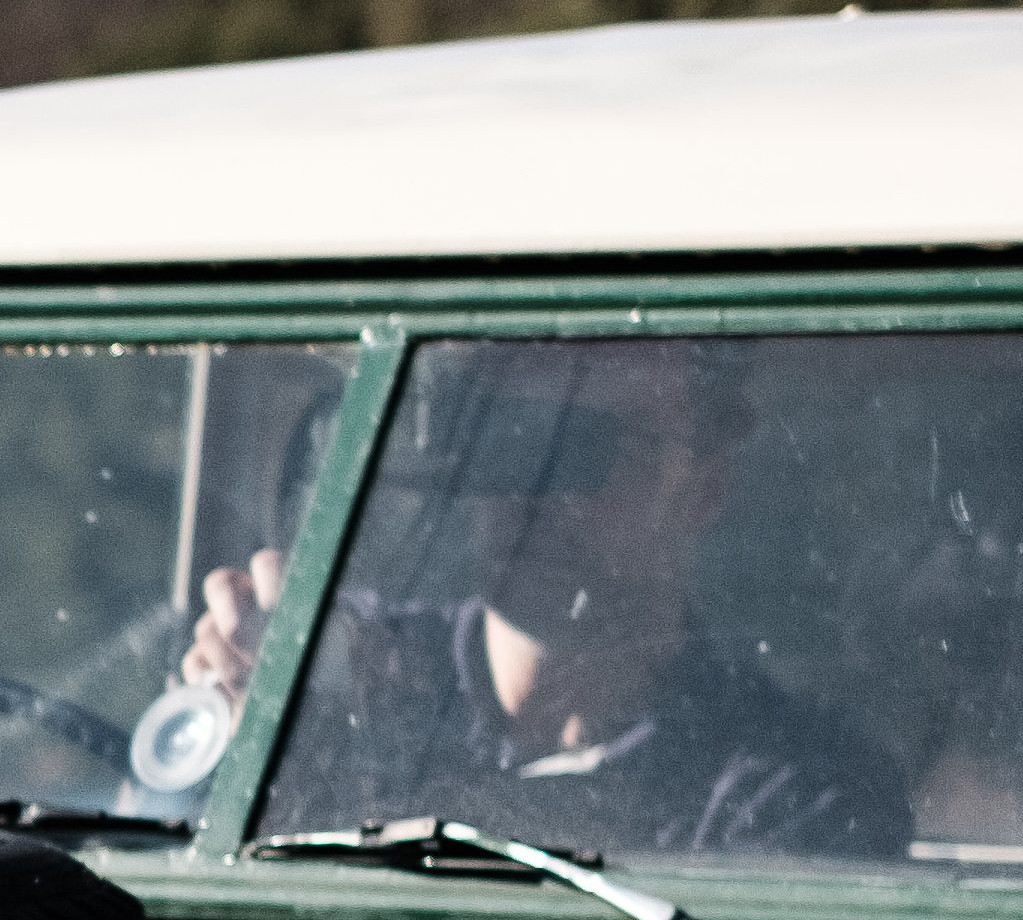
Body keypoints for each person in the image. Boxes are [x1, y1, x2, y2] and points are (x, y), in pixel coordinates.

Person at [185, 341, 910, 862]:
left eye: (596, 448)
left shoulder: (794, 787)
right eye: (512, 438)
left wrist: (346, 775)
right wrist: (256, 732)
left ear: (701, 486)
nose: (533, 491)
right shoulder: (344, 667)